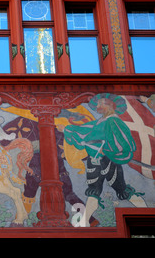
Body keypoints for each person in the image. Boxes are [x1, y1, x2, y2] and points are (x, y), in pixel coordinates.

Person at [60, 93, 146, 226]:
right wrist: (67, 129)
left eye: (100, 103)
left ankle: (145, 212)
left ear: (109, 105)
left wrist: (105, 150)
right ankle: (85, 223)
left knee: (121, 189)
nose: (97, 106)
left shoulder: (113, 121)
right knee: (94, 191)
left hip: (108, 160)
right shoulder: (100, 122)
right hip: (94, 162)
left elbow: (123, 142)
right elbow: (85, 131)